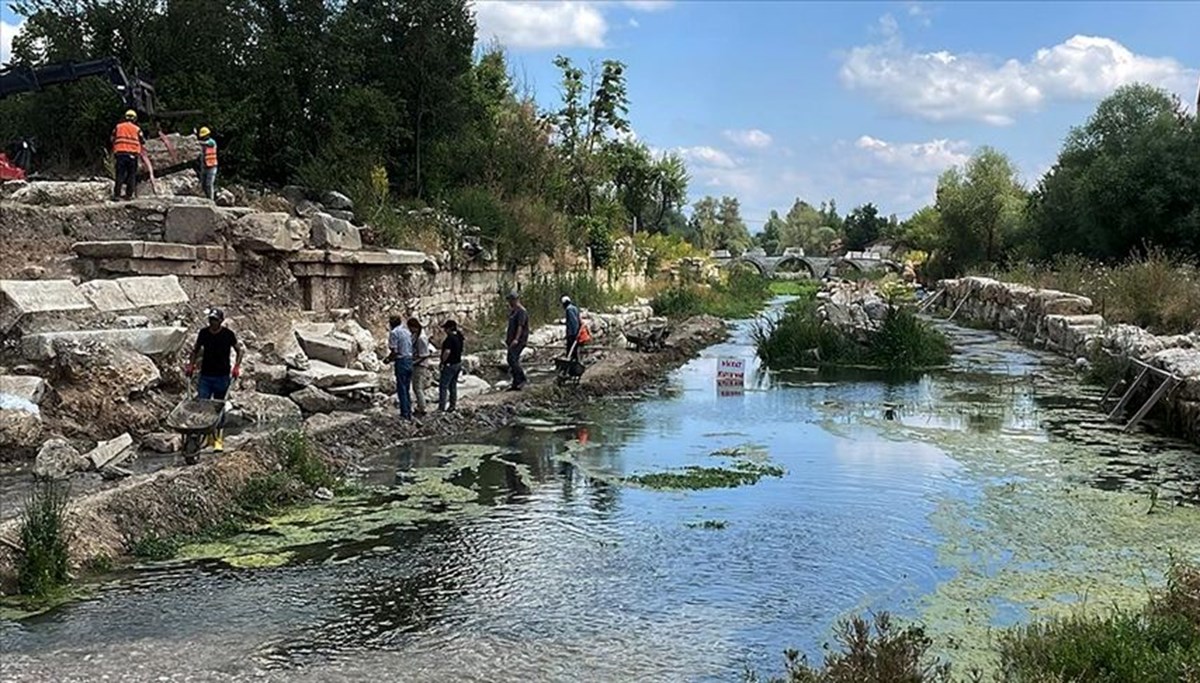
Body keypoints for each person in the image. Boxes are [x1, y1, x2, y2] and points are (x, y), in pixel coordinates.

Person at [185, 307, 244, 452]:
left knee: (219, 408)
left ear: (221, 321)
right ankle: (201, 437)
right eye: (210, 320)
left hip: (222, 377)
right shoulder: (204, 333)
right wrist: (191, 365)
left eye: (215, 320)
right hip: (205, 376)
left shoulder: (228, 335)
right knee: (202, 405)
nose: (212, 322)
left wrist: (236, 366)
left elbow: (239, 350)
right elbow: (195, 350)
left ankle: (218, 438)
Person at [111, 110, 145, 202]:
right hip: (133, 155)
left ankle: (117, 195)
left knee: (120, 175)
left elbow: (112, 138)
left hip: (120, 154)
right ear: (134, 118)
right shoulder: (137, 129)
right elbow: (142, 140)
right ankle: (129, 195)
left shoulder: (118, 127)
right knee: (131, 175)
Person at [386, 314, 414, 420]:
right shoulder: (407, 332)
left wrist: (388, 359)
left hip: (401, 361)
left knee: (401, 388)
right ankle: (409, 411)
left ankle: (404, 413)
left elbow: (395, 350)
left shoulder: (394, 333)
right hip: (409, 360)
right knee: (406, 388)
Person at [408, 317, 435, 417]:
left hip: (420, 365)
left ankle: (422, 407)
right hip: (416, 363)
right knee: (416, 387)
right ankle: (420, 405)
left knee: (418, 387)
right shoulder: (416, 335)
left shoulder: (421, 338)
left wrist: (414, 362)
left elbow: (424, 355)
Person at [438, 319, 465, 412]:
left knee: (443, 386)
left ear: (449, 328)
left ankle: (441, 407)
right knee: (453, 385)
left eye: (446, 328)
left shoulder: (450, 339)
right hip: (458, 363)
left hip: (449, 364)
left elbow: (447, 352)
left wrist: (442, 361)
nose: (444, 330)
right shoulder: (459, 337)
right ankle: (452, 405)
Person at [505, 291, 529, 391]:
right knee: (511, 359)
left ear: (515, 300)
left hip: (519, 340)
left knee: (512, 359)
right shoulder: (513, 311)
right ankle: (516, 382)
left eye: (510, 300)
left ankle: (522, 379)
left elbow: (520, 326)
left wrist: (516, 339)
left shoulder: (521, 311)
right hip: (512, 340)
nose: (509, 302)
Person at [197, 126, 218, 201]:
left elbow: (207, 143)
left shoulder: (212, 142)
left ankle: (211, 200)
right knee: (203, 185)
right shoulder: (203, 145)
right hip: (204, 166)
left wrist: (197, 141)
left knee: (209, 184)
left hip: (212, 166)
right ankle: (207, 199)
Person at [562, 295, 581, 360]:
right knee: (575, 349)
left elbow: (573, 322)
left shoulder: (569, 309)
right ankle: (575, 361)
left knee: (570, 348)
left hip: (572, 333)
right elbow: (578, 320)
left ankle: (571, 362)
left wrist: (571, 333)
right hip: (576, 332)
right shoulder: (575, 308)